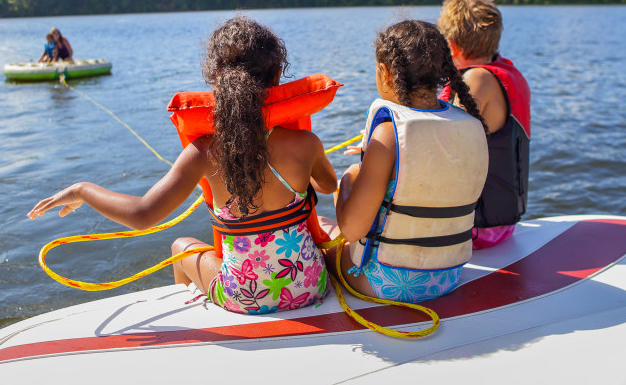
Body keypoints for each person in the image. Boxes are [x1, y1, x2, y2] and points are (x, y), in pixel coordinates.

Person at [27, 16, 338, 314]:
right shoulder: (305, 144)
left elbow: (142, 214)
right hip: (309, 285)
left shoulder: (203, 153)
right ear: (276, 78)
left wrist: (83, 190)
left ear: (216, 80)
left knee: (180, 246)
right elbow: (327, 186)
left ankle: (194, 324)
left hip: (244, 297)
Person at [326, 20, 489, 303]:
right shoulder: (470, 124)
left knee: (321, 231)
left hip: (384, 282)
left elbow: (353, 230)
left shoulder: (389, 134)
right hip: (448, 276)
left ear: (383, 72)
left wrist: (347, 180)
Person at [436, 0, 531, 249]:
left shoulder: (475, 80)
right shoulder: (510, 74)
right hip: (501, 225)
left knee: (355, 182)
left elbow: (444, 148)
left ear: (451, 45)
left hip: (475, 228)